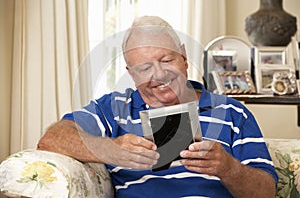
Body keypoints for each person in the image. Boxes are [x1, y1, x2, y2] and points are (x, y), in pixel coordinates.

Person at [38, 16, 277, 197]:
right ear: (131, 73)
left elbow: (267, 192)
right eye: (144, 69)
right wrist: (111, 149)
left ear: (183, 57)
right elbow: (52, 139)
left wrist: (227, 168)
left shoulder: (233, 112)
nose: (159, 74)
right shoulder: (114, 108)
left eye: (166, 60)